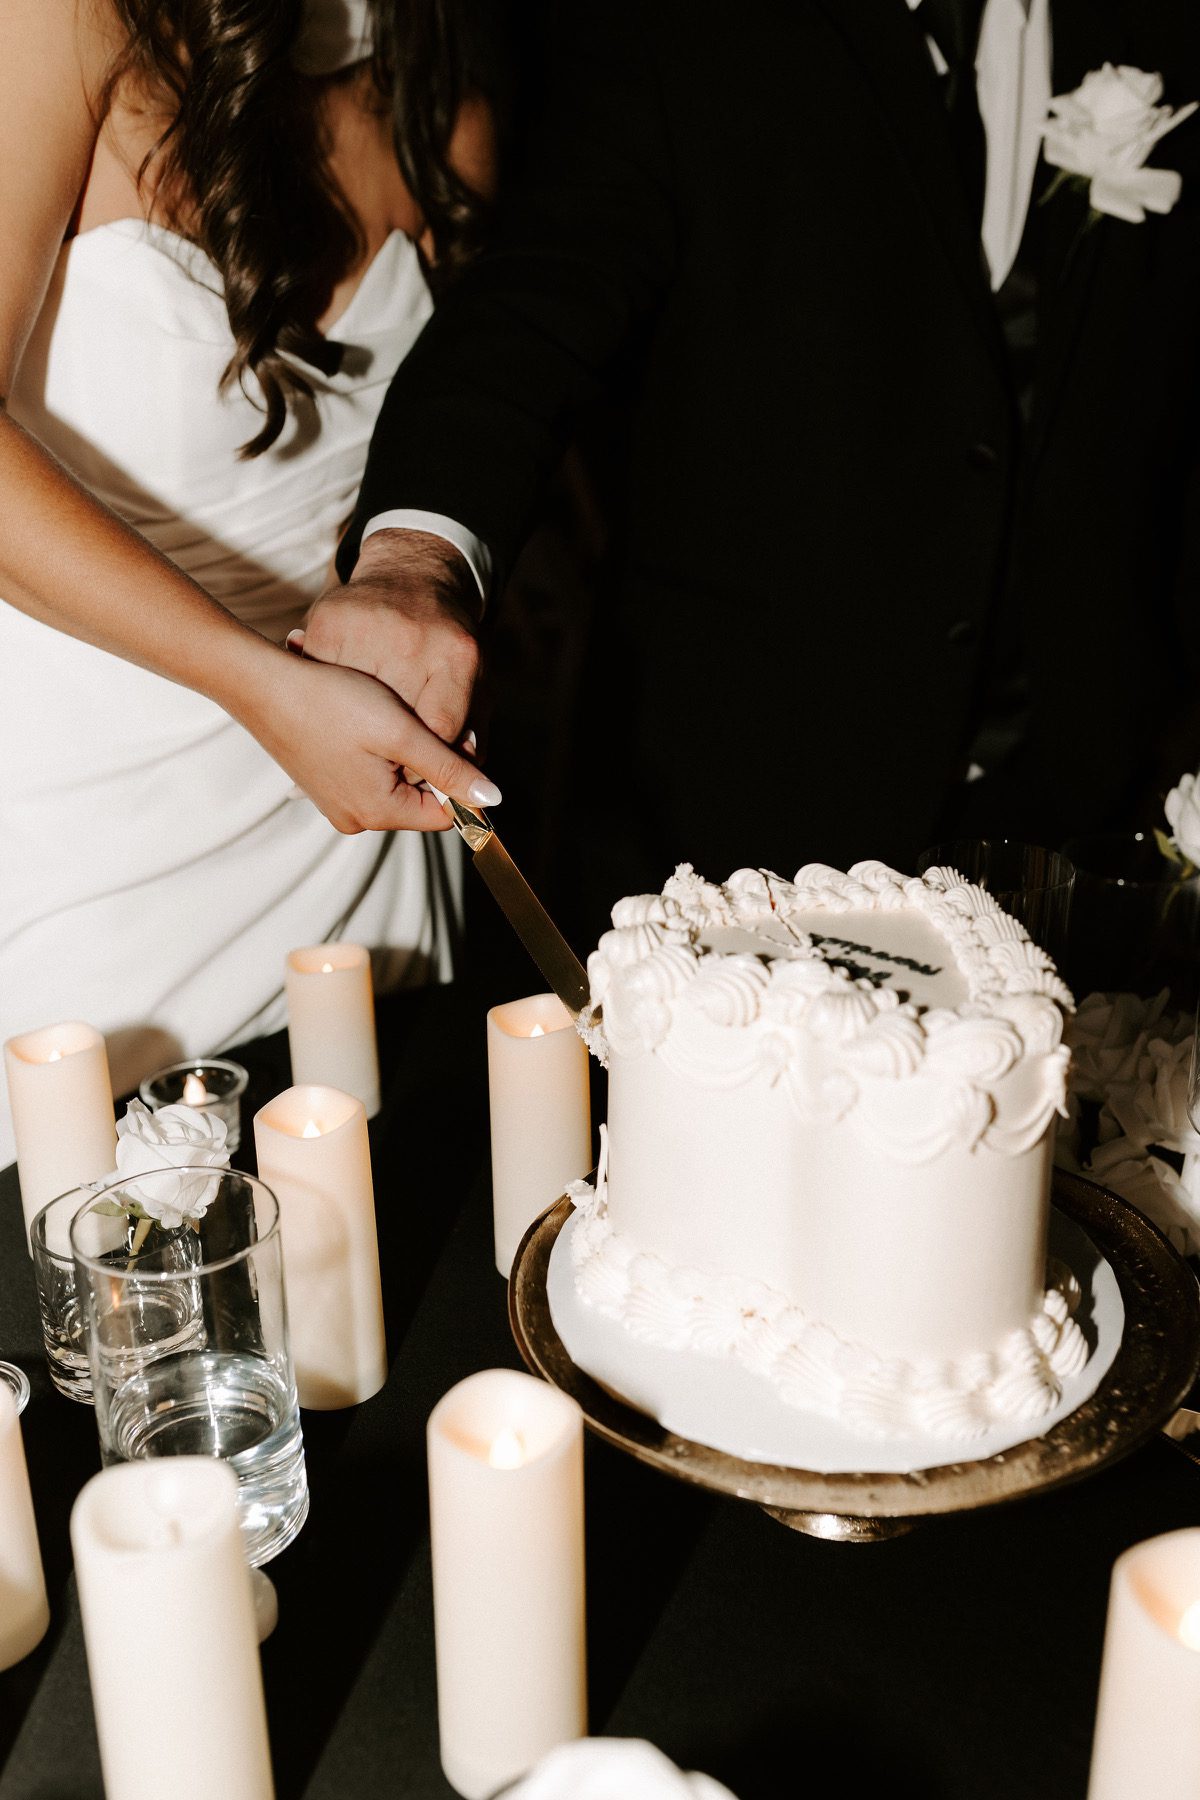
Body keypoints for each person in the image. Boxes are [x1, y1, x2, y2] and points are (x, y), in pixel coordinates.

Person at [303, 0, 1200, 942]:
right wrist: (414, 562)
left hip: (1091, 818)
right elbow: (529, 309)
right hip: (742, 823)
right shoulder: (691, 27)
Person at [0, 0, 501, 1165]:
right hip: (94, 852)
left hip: (356, 839)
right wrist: (262, 688)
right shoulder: (65, 23)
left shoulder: (444, 88)